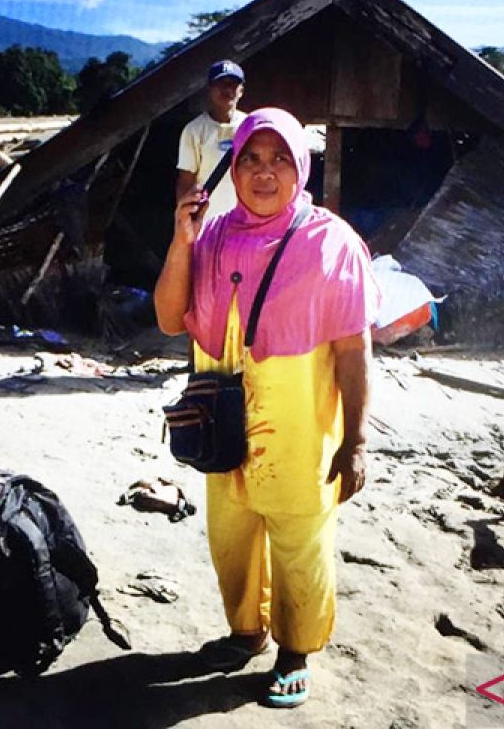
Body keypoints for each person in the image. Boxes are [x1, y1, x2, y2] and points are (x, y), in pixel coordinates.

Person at [154, 107, 379, 708]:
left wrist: (355, 440)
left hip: (299, 423)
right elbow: (169, 317)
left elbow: (355, 352)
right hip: (223, 416)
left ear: (301, 167)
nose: (263, 171)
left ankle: (295, 650)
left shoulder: (332, 243)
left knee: (300, 538)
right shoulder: (215, 231)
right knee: (231, 535)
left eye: (280, 158)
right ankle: (246, 633)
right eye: (251, 157)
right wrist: (182, 243)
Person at [175, 60, 247, 222]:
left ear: (241, 90)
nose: (227, 89)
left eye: (233, 84)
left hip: (243, 223)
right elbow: (186, 181)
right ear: (210, 89)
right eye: (221, 83)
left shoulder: (251, 126)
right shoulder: (194, 130)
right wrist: (185, 222)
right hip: (207, 223)